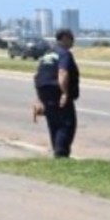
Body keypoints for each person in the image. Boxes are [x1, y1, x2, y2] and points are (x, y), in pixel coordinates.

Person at [33, 29, 81, 158]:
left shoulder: (47, 54)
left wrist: (39, 99)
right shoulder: (64, 54)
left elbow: (37, 76)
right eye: (71, 39)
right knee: (66, 125)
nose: (73, 42)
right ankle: (61, 154)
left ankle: (57, 152)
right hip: (57, 92)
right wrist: (64, 93)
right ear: (64, 38)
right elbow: (62, 72)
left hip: (44, 92)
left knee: (54, 124)